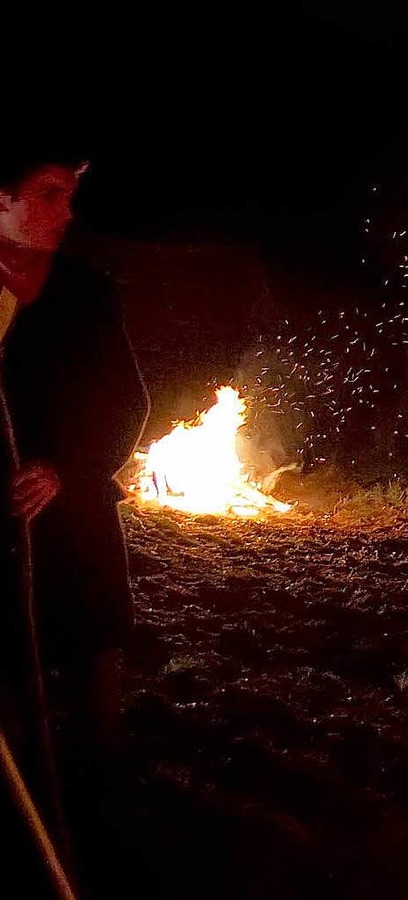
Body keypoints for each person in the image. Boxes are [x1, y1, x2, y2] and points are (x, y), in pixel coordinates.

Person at [0, 141, 150, 895]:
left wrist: (62, 464)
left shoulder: (87, 293)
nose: (68, 211)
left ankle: (109, 847)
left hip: (74, 528)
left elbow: (126, 402)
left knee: (93, 693)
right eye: (50, 192)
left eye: (70, 194)